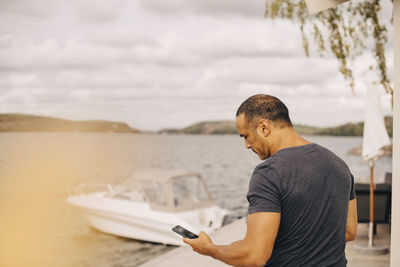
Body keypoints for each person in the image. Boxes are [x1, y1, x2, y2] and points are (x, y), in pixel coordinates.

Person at [184, 94, 358, 267]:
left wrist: (210, 249)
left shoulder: (269, 173)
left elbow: (254, 256)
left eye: (245, 136)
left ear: (264, 128)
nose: (246, 145)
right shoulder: (339, 165)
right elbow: (349, 231)